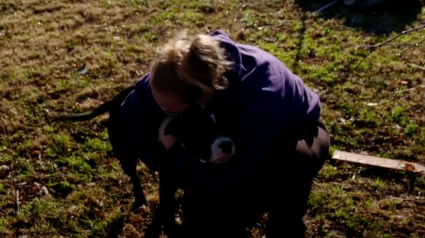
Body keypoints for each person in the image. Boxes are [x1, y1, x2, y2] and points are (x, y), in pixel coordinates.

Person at [119, 29, 330, 238]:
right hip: (237, 133)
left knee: (288, 168)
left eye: (170, 111)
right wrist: (161, 161)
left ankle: (285, 226)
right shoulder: (180, 69)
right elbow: (130, 113)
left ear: (202, 98)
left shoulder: (259, 93)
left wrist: (176, 152)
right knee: (202, 212)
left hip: (297, 131)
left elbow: (227, 178)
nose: (165, 113)